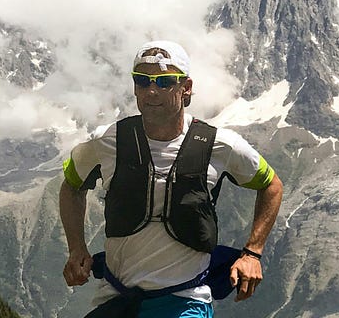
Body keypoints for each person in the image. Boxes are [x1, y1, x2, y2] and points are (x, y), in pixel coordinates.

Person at [59, 40, 283, 318]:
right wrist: (77, 247)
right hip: (116, 298)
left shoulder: (220, 145)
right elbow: (71, 185)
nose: (152, 90)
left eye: (164, 81)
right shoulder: (108, 142)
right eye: (142, 81)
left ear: (185, 88)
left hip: (185, 301)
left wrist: (252, 253)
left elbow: (271, 185)